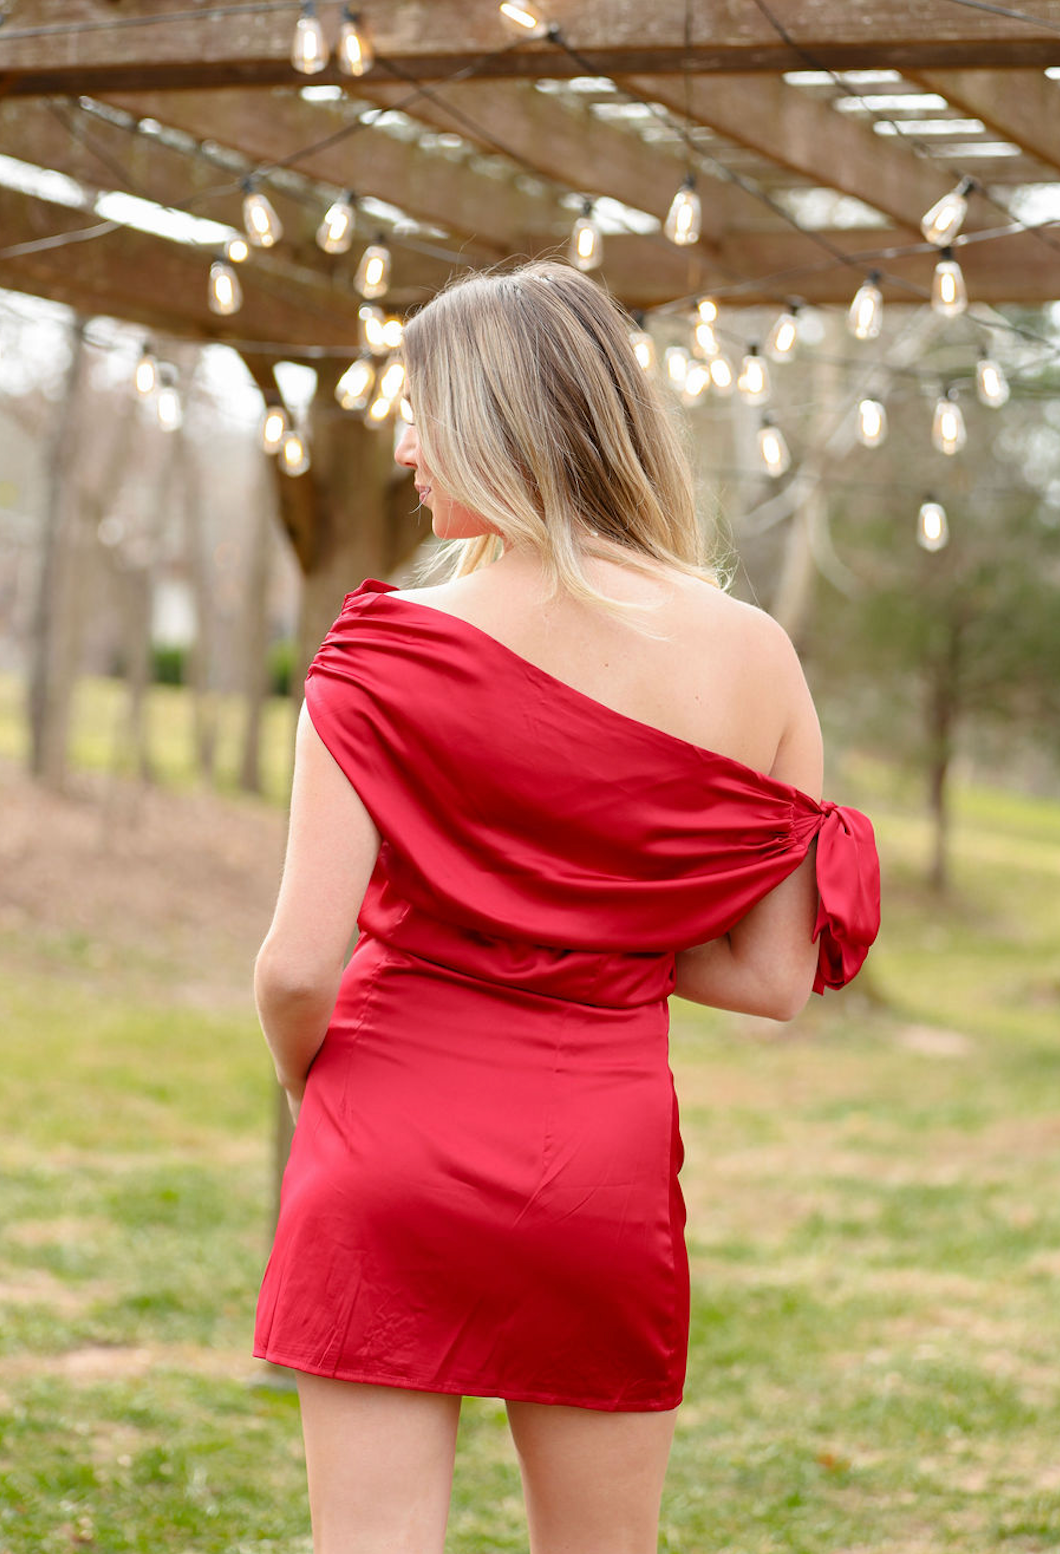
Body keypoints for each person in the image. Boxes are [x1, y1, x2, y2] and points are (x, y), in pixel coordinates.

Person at [252, 259, 880, 1554]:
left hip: (386, 1136)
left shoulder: (382, 653)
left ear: (504, 420)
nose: (409, 445)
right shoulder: (749, 651)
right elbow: (771, 980)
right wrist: (597, 946)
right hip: (598, 1162)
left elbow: (297, 967)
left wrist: (326, 1090)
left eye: (428, 410)